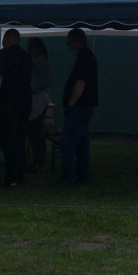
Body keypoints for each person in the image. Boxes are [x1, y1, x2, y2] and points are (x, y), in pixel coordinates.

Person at [0, 28, 34, 187]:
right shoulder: (26, 57)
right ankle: (20, 174)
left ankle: (11, 177)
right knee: (20, 139)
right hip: (25, 102)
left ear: (7, 38)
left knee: (8, 140)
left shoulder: (3, 55)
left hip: (8, 102)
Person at [60, 28, 98, 184]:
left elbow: (80, 82)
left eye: (69, 40)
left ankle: (67, 176)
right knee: (82, 143)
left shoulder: (84, 57)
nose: (67, 43)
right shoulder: (86, 55)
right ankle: (82, 175)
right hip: (85, 106)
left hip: (79, 107)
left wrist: (71, 103)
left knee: (67, 142)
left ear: (76, 41)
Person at [26, 37, 53, 172]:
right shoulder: (35, 61)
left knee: (36, 133)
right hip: (35, 100)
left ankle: (39, 161)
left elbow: (47, 81)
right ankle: (37, 160)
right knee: (33, 133)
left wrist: (34, 87)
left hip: (40, 101)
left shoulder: (42, 62)